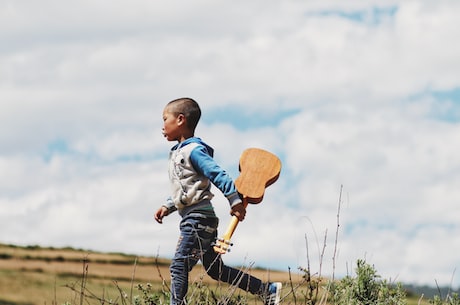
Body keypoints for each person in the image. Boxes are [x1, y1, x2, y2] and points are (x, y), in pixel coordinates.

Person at [154, 97, 282, 305]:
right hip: (200, 218)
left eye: (164, 119)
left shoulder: (193, 151)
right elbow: (185, 188)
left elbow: (218, 174)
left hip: (197, 220)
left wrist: (234, 201)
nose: (162, 125)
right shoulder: (179, 152)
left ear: (180, 120)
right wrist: (167, 206)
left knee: (179, 264)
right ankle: (266, 289)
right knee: (215, 269)